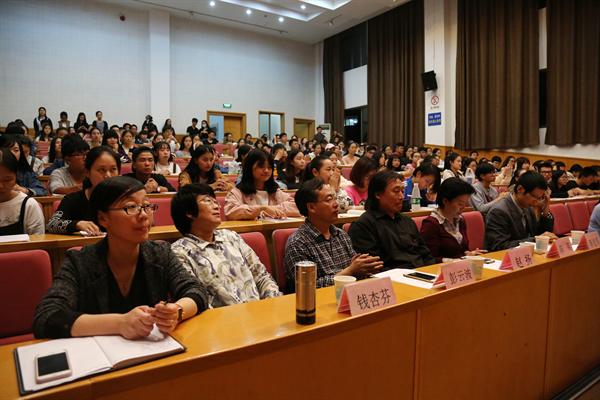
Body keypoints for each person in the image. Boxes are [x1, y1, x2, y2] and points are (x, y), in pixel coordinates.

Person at [33, 176, 208, 339]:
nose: (144, 215)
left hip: (151, 351)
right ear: (103, 218)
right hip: (99, 356)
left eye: (147, 206)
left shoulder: (160, 253)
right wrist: (120, 323)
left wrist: (176, 311)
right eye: (131, 207)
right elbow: (47, 316)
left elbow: (196, 290)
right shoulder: (80, 261)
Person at [171, 184, 281, 307]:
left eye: (215, 201)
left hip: (261, 311)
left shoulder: (231, 237)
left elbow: (262, 276)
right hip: (223, 318)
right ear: (189, 212)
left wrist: (272, 304)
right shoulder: (179, 252)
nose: (217, 206)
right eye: (208, 201)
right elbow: (197, 300)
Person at [284, 179, 383, 291]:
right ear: (311, 207)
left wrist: (365, 267)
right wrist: (350, 271)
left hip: (347, 293)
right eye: (329, 199)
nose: (336, 204)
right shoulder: (298, 243)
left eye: (335, 198)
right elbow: (306, 286)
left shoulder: (341, 235)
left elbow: (354, 268)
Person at [349, 170, 436, 270]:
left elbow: (426, 255)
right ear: (378, 194)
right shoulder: (363, 226)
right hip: (393, 277)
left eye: (402, 191)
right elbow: (374, 267)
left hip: (421, 273)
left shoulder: (407, 221)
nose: (401, 197)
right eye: (396, 191)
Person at [47, 146, 121, 235]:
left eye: (113, 169)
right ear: (87, 172)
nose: (108, 175)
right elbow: (51, 225)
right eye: (102, 170)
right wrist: (77, 224)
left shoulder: (125, 199)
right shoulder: (73, 199)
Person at [484, 171, 556, 251]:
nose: (537, 201)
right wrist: (535, 239)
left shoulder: (528, 207)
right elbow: (500, 246)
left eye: (540, 198)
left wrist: (545, 211)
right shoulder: (499, 211)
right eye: (534, 196)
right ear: (520, 189)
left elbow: (540, 234)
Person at [421, 178, 486, 262]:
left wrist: (468, 254)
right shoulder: (431, 224)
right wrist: (456, 260)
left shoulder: (460, 220)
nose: (463, 208)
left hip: (460, 267)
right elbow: (429, 259)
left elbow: (461, 250)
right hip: (441, 268)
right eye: (460, 204)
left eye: (465, 204)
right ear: (445, 201)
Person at [224, 150, 299, 220]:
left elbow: (297, 206)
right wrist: (261, 209)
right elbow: (230, 211)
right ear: (249, 168)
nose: (266, 170)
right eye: (261, 167)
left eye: (269, 167)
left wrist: (273, 210)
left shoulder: (275, 191)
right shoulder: (237, 192)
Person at [0, 148, 45, 235]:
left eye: (7, 180)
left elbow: (37, 240)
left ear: (16, 177)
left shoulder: (28, 204)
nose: (1, 186)